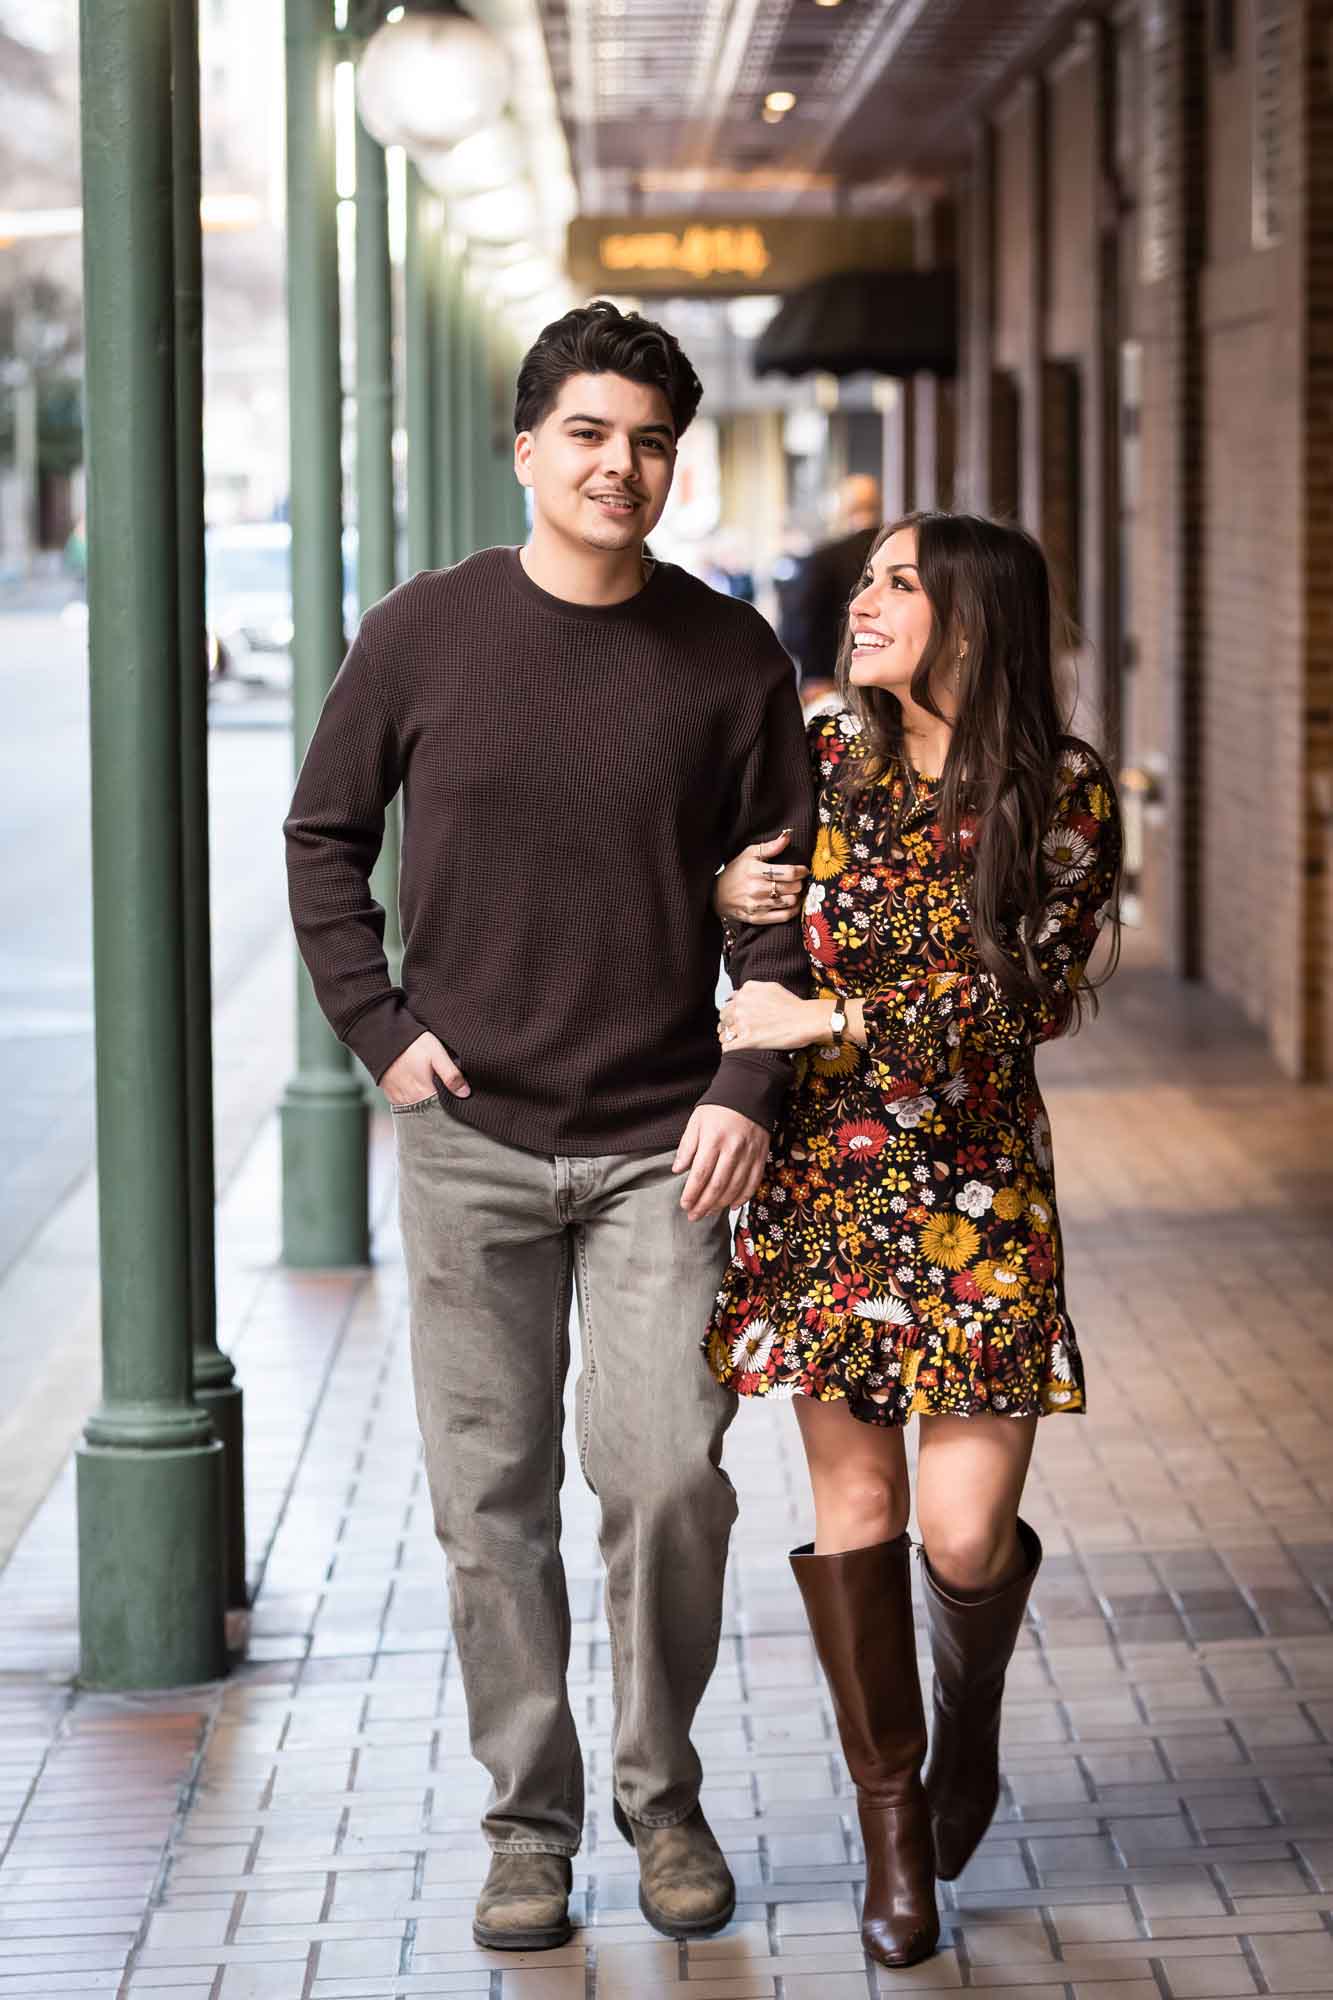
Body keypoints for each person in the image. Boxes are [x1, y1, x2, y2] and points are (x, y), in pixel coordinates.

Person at [284, 302, 813, 1952]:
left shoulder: (730, 657)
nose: (618, 467)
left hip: (665, 1140)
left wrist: (743, 1085)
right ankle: (528, 1828)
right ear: (527, 449)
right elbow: (321, 837)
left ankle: (664, 1800)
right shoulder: (422, 635)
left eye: (649, 442)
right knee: (488, 1504)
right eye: (587, 434)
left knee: (668, 1481)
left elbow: (780, 906)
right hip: (471, 1138)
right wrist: (379, 1033)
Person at [705, 511, 1122, 1970]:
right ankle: (893, 1833)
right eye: (868, 580)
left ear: (972, 615)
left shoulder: (1062, 791)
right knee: (861, 1505)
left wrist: (830, 1016)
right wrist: (723, 894)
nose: (863, 602)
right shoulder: (821, 752)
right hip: (826, 1185)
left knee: (961, 1533)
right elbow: (748, 912)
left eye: (899, 584)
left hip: (980, 1194)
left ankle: (972, 1722)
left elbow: (1021, 1002)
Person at [783, 473, 883, 691]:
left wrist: (814, 674)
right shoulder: (899, 553)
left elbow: (800, 625)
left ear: (843, 508)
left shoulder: (824, 559)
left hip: (832, 680)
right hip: (887, 678)